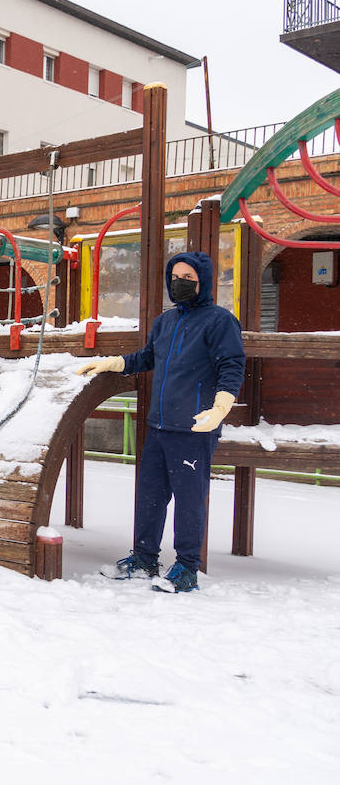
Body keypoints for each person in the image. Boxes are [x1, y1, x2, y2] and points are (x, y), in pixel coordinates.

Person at [76, 251, 244, 593]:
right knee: (150, 495)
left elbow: (232, 364)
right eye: (175, 277)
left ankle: (186, 568)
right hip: (159, 425)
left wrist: (221, 405)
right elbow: (148, 357)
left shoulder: (219, 321)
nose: (179, 283)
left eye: (188, 278)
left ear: (203, 283)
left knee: (189, 498)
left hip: (194, 427)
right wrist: (113, 363)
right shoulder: (165, 322)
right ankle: (144, 558)